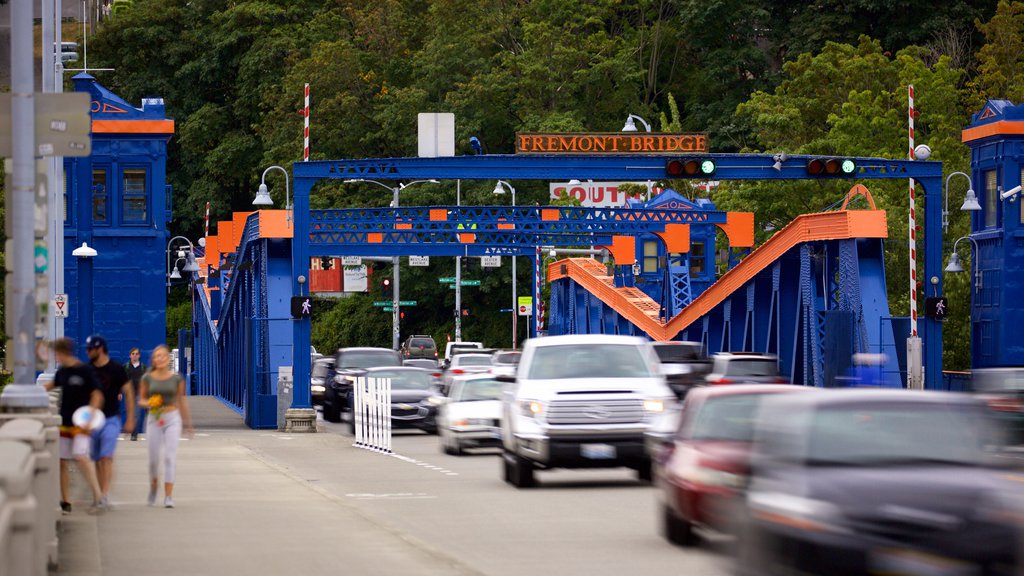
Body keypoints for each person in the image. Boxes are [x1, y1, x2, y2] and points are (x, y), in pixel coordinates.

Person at [43, 338, 105, 515]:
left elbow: (97, 394)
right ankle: (66, 501)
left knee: (81, 457)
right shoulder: (62, 372)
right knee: (62, 460)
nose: (55, 357)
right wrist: (35, 392)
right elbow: (52, 385)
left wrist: (90, 416)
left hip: (81, 423)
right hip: (65, 422)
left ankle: (98, 496)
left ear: (62, 353)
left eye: (56, 354)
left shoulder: (84, 370)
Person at [138, 344, 193, 508]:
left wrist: (187, 424)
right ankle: (154, 486)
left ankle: (168, 496)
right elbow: (140, 399)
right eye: (156, 356)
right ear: (153, 360)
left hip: (172, 418)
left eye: (162, 355)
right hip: (154, 418)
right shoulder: (147, 378)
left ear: (168, 358)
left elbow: (181, 401)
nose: (159, 358)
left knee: (169, 457)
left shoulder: (177, 379)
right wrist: (149, 402)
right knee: (154, 460)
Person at [85, 335, 135, 509]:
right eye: (87, 348)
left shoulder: (116, 369)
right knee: (97, 459)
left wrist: (130, 418)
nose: (88, 352)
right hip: (92, 421)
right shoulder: (87, 370)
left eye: (91, 349)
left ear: (100, 349)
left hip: (111, 418)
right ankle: (99, 493)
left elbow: (128, 392)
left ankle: (105, 494)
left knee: (107, 457)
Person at [124, 348, 146, 441]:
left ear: (139, 355)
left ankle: (134, 434)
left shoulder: (143, 367)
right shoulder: (126, 366)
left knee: (136, 414)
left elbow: (146, 381)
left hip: (138, 394)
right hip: (129, 394)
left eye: (137, 354)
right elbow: (121, 380)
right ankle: (130, 430)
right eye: (133, 354)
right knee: (130, 413)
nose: (135, 355)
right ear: (130, 355)